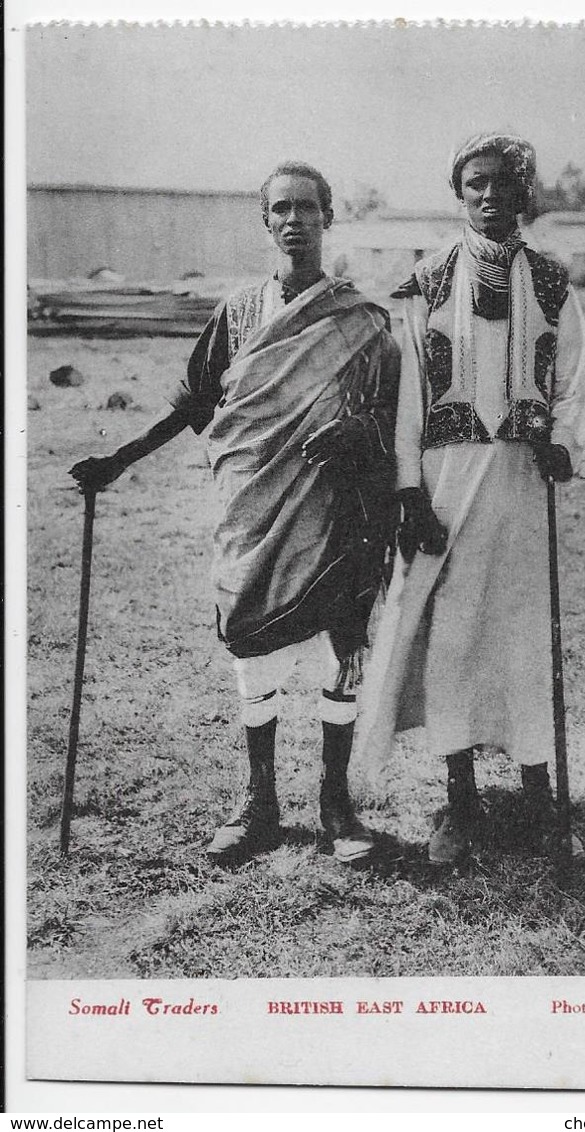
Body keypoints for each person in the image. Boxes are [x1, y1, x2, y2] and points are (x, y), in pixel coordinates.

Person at [70, 161, 400, 867]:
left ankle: (336, 808)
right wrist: (118, 460)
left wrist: (357, 436)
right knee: (250, 639)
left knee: (344, 642)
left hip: (337, 506)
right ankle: (259, 805)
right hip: (251, 503)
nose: (293, 220)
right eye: (279, 208)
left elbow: (392, 420)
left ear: (327, 218)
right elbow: (194, 403)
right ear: (265, 221)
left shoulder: (363, 321)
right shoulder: (240, 311)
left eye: (306, 207)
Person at [358, 133, 585, 864]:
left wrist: (564, 442)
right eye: (474, 186)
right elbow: (407, 402)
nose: (488, 198)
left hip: (520, 482)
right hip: (444, 487)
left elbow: (574, 380)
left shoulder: (554, 284)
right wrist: (407, 492)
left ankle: (538, 796)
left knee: (522, 635)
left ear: (524, 194)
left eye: (502, 185)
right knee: (451, 640)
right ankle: (459, 804)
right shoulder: (424, 284)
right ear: (459, 195)